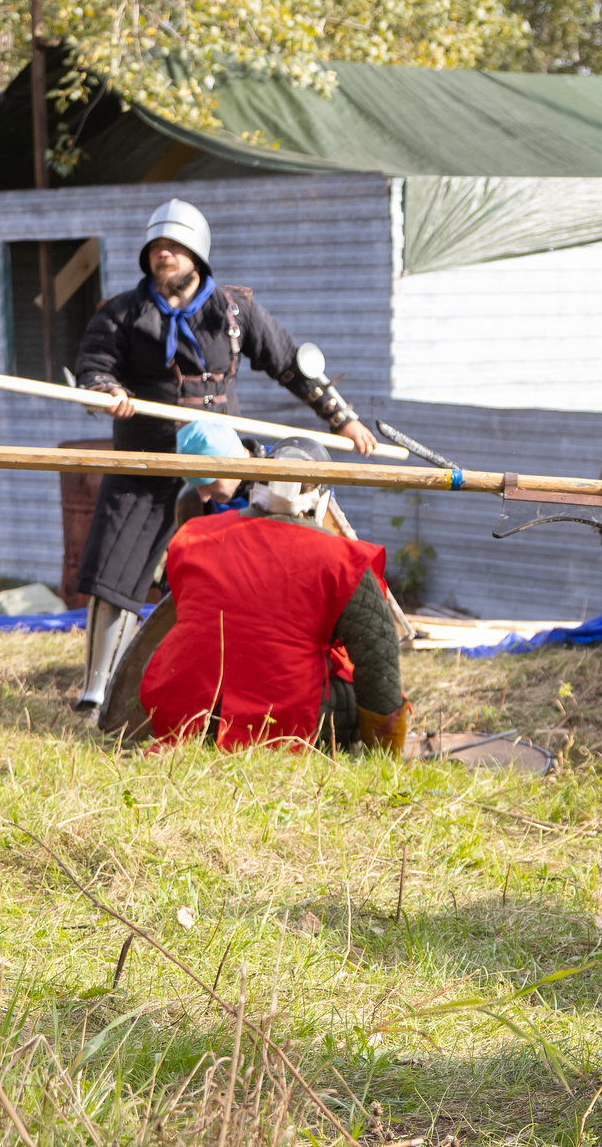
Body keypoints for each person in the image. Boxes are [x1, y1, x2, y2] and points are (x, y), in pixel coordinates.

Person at [70, 199, 378, 717]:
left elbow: (290, 362)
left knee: (248, 564)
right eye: (156, 248)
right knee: (114, 568)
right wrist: (105, 389)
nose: (163, 255)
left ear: (197, 253)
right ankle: (99, 690)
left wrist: (340, 416)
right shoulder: (120, 313)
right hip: (148, 459)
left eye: (174, 246)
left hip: (224, 467)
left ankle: (245, 675)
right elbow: (94, 365)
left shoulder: (235, 311)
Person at [139, 437, 407, 753]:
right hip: (274, 723)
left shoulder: (195, 536)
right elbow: (378, 659)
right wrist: (386, 750)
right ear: (320, 498)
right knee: (347, 690)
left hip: (184, 712)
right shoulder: (341, 560)